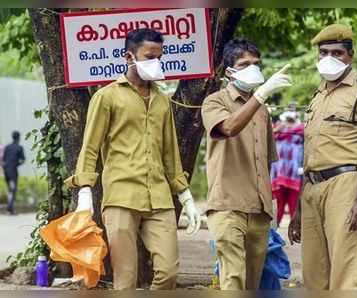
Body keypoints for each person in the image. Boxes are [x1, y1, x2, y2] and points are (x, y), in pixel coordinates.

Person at [65, 28, 202, 290]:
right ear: (129, 56)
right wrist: (84, 191)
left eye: (159, 57)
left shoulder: (162, 100)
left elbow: (170, 154)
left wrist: (185, 195)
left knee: (169, 271)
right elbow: (90, 146)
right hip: (121, 195)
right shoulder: (107, 97)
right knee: (125, 279)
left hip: (159, 196)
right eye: (149, 57)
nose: (156, 63)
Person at [288, 24, 357, 290]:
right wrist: (298, 208)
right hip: (311, 188)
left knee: (344, 275)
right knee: (313, 275)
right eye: (323, 53)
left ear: (350, 56)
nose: (328, 58)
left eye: (337, 52)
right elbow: (309, 155)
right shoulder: (318, 96)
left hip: (344, 187)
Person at [201, 38, 292, 290]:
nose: (253, 68)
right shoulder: (215, 102)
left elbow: (266, 161)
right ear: (230, 71)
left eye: (256, 63)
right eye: (244, 64)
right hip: (228, 204)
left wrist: (270, 207)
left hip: (259, 209)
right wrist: (261, 95)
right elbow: (228, 127)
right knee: (233, 279)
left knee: (252, 284)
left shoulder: (263, 112)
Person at [271, 110, 304, 226]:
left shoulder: (300, 132)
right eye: (288, 119)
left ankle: (296, 233)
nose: (289, 122)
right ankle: (273, 235)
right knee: (277, 209)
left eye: (291, 119)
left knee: (294, 207)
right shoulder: (277, 131)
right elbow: (267, 136)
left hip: (294, 176)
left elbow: (305, 130)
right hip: (278, 177)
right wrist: (280, 128)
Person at [2, 131, 25, 215]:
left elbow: (3, 159)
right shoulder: (19, 147)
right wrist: (16, 164)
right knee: (13, 189)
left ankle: (9, 208)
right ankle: (9, 208)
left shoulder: (7, 147)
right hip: (13, 172)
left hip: (6, 171)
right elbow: (23, 160)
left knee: (10, 189)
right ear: (18, 137)